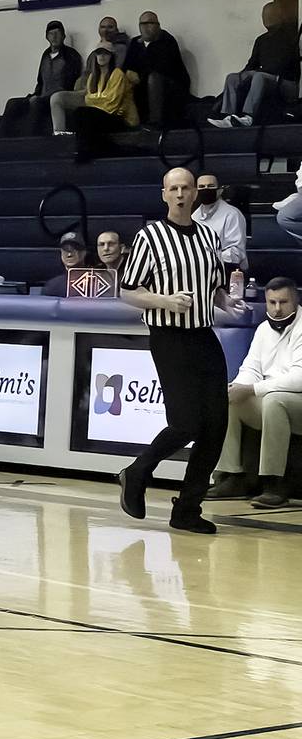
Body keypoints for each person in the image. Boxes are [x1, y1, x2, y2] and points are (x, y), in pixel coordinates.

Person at [118, 167, 229, 536]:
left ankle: (187, 508)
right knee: (186, 423)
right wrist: (165, 300)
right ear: (164, 194)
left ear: (195, 193)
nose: (181, 194)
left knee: (216, 427)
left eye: (186, 188)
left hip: (204, 336)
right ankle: (137, 472)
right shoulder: (150, 236)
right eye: (174, 188)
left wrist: (227, 301)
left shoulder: (208, 237)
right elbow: (128, 291)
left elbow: (214, 286)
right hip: (169, 337)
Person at [208, 277, 302, 510]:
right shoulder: (262, 329)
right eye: (272, 302)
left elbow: (299, 379)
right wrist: (239, 387)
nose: (277, 309)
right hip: (271, 397)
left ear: (295, 300)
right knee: (230, 399)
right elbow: (251, 368)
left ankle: (274, 483)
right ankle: (233, 477)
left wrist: (252, 389)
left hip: (294, 400)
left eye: (283, 302)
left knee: (273, 400)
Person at [209, 3, 300, 127]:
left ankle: (248, 117)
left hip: (287, 84)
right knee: (233, 78)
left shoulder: (289, 38)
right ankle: (227, 116)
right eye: (264, 15)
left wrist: (254, 73)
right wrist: (242, 75)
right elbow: (252, 64)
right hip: (265, 77)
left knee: (259, 77)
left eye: (270, 15)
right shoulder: (261, 40)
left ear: (280, 16)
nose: (266, 18)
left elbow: (281, 66)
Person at [3, 22, 82, 137]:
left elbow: (71, 83)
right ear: (46, 37)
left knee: (37, 103)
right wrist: (35, 94)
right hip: (41, 95)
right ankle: (4, 140)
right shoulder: (45, 55)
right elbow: (40, 81)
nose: (54, 37)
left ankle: (31, 140)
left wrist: (41, 97)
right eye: (51, 34)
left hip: (58, 98)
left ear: (63, 36)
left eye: (57, 33)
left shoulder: (71, 55)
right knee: (12, 103)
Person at [68, 44, 139, 160]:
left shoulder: (117, 74)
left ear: (111, 56)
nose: (102, 56)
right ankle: (86, 150)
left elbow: (112, 103)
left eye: (105, 53)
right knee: (79, 113)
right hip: (101, 117)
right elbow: (88, 100)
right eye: (99, 53)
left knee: (85, 115)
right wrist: (99, 100)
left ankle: (85, 151)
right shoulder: (93, 76)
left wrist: (94, 100)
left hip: (121, 119)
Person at [123, 11, 192, 128]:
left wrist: (139, 74)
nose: (146, 27)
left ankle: (155, 121)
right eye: (142, 24)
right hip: (141, 84)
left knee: (153, 78)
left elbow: (163, 68)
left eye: (150, 23)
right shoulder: (135, 42)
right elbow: (127, 65)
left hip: (169, 84)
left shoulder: (167, 41)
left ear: (158, 25)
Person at [193, 174, 248, 275]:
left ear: (220, 190)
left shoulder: (232, 214)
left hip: (229, 271)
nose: (205, 190)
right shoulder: (193, 216)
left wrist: (210, 258)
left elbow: (237, 253)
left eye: (210, 186)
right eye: (201, 187)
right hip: (200, 271)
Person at [40, 231, 89, 297]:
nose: (69, 254)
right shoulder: (52, 286)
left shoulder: (97, 283)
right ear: (61, 253)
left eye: (75, 249)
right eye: (65, 249)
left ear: (84, 252)